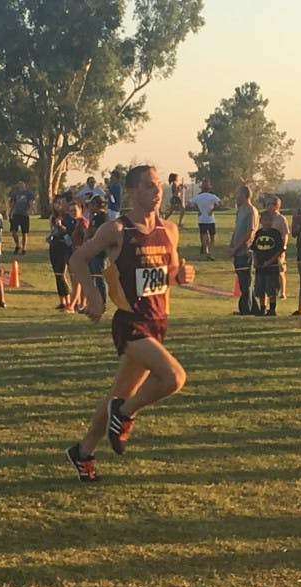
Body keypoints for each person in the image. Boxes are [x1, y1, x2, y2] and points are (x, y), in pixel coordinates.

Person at [65, 165, 195, 482]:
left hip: (158, 322)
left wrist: (183, 275)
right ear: (133, 192)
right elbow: (77, 259)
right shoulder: (117, 230)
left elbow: (172, 273)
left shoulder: (169, 230)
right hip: (130, 322)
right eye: (149, 186)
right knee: (175, 378)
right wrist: (94, 296)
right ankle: (124, 414)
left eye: (158, 185)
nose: (157, 191)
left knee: (117, 394)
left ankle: (82, 452)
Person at [229, 184, 259, 315]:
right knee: (242, 281)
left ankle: (245, 309)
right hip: (237, 251)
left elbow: (250, 233)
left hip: (245, 251)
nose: (236, 197)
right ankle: (254, 309)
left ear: (244, 195)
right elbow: (237, 230)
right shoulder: (240, 210)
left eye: (238, 194)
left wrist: (237, 248)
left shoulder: (251, 211)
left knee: (246, 282)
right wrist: (231, 245)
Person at [251, 209, 285, 316]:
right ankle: (262, 308)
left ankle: (272, 309)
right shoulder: (259, 233)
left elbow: (279, 250)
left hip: (271, 267)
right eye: (265, 220)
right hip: (260, 267)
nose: (267, 222)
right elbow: (255, 249)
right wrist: (255, 261)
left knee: (271, 289)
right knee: (260, 288)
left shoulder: (275, 234)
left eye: (269, 220)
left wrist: (270, 261)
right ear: (261, 221)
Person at [47, 193, 72, 311]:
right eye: (56, 203)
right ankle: (62, 300)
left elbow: (68, 233)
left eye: (60, 203)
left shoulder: (68, 217)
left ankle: (68, 300)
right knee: (57, 273)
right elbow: (52, 231)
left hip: (64, 246)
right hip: (54, 245)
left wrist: (61, 227)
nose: (58, 206)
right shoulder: (53, 218)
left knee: (62, 273)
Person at [64, 198, 90, 312]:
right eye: (70, 211)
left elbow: (88, 237)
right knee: (79, 280)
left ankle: (72, 305)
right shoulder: (76, 223)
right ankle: (82, 304)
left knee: (76, 281)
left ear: (81, 210)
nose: (72, 213)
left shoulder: (83, 223)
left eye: (74, 210)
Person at [261, 195, 290, 299]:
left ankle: (283, 292)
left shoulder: (281, 219)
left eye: (270, 204)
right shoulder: (265, 218)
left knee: (280, 270)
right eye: (267, 204)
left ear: (276, 206)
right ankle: (268, 292)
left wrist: (284, 247)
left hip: (278, 248)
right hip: (267, 248)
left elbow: (285, 234)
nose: (267, 206)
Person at [86, 195, 109, 305]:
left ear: (95, 205)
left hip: (99, 252)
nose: (88, 206)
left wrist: (90, 219)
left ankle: (102, 302)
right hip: (93, 251)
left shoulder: (101, 217)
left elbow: (90, 233)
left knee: (99, 278)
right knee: (91, 277)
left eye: (90, 204)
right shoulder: (97, 217)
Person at [191, 180, 221, 259]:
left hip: (201, 219)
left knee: (203, 235)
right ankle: (210, 252)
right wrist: (212, 209)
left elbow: (191, 203)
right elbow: (220, 203)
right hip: (210, 219)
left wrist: (198, 210)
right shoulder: (212, 196)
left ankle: (205, 250)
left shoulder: (198, 197)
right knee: (212, 237)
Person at [7, 181, 35, 255]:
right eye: (19, 183)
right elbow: (13, 203)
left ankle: (24, 248)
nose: (20, 185)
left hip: (24, 214)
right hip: (16, 214)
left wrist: (30, 210)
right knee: (13, 231)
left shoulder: (29, 193)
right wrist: (10, 212)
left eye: (22, 183)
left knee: (24, 232)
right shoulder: (15, 193)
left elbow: (31, 202)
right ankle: (17, 245)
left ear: (25, 184)